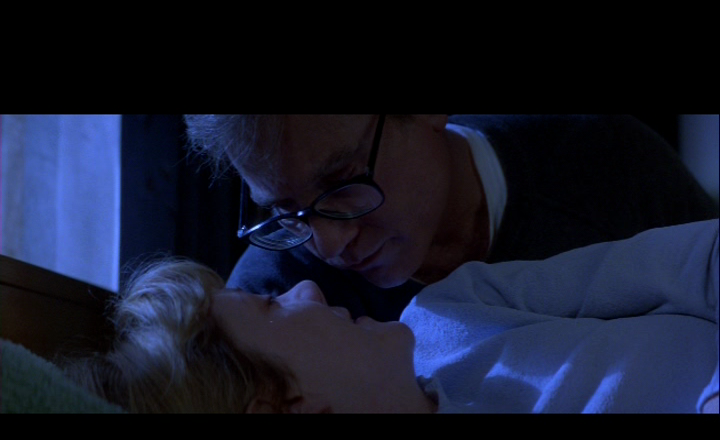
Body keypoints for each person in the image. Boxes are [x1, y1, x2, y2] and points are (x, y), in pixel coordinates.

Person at [62, 220, 719, 413]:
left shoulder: (449, 312)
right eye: (270, 304)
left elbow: (692, 259)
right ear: (278, 405)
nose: (306, 289)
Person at [184, 114, 719, 322]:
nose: (327, 245)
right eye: (284, 209)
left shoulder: (610, 166)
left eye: (342, 181)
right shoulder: (277, 308)